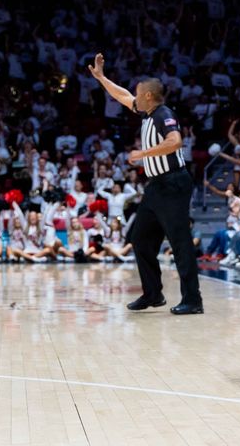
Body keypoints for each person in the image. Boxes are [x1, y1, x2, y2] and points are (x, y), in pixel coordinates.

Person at [87, 55, 204, 315]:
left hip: (173, 184)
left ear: (149, 96)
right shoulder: (146, 112)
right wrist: (102, 78)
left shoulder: (164, 114)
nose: (134, 97)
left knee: (180, 241)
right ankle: (153, 293)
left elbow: (175, 142)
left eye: (139, 94)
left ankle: (193, 300)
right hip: (156, 187)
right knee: (139, 239)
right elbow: (122, 95)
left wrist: (142, 153)